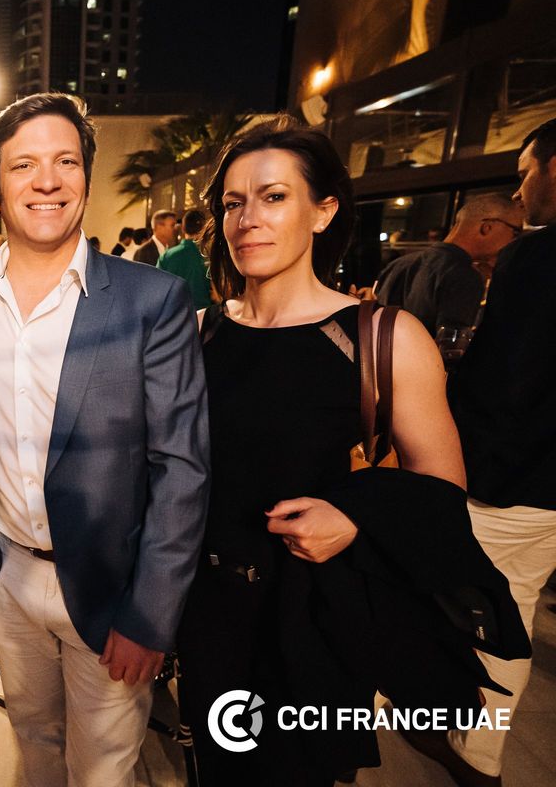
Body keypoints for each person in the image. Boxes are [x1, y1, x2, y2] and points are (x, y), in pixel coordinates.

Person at [177, 116, 527, 786]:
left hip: (318, 615)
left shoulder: (384, 336)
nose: (248, 219)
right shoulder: (197, 334)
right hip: (209, 613)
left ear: (324, 210)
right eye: (233, 202)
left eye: (274, 196)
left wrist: (354, 515)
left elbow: (442, 489)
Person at [0, 92, 210, 787]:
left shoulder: (152, 300)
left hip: (110, 586)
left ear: (86, 179)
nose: (47, 180)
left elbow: (181, 468)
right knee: (34, 746)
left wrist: (150, 615)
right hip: (10, 576)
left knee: (102, 770)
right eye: (23, 164)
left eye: (66, 161)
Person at [436, 118, 556, 787]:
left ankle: (461, 745)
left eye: (525, 172)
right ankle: (474, 747)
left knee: (459, 603)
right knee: (515, 609)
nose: (520, 191)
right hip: (548, 490)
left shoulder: (536, 259)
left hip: (509, 479)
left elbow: (505, 381)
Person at [375, 193, 522, 336]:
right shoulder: (464, 275)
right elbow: (450, 344)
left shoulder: (397, 264)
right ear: (487, 227)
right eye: (515, 233)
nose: (515, 241)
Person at [157, 207, 212, 309]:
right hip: (205, 313)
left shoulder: (167, 256)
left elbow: (158, 289)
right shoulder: (209, 255)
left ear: (183, 229)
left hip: (174, 313)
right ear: (204, 229)